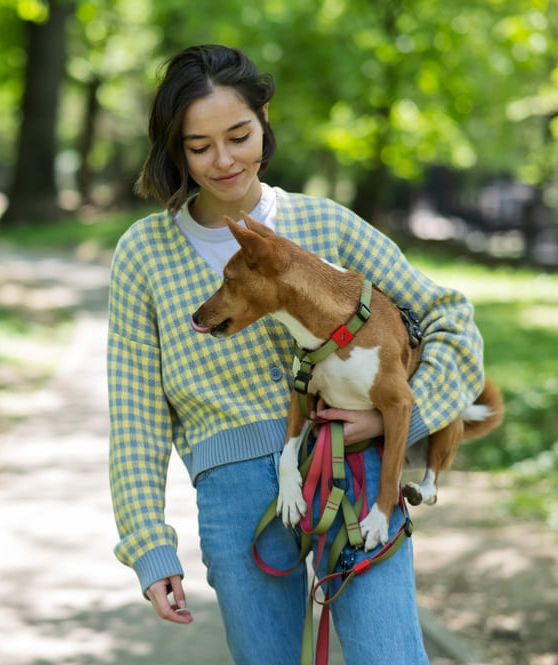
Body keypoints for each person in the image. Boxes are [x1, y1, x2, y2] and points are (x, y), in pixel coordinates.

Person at [106, 44, 486, 665]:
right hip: (234, 499)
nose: (224, 160)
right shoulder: (143, 254)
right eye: (199, 147)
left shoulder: (325, 226)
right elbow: (136, 417)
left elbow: (450, 318)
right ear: (174, 150)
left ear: (263, 124)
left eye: (239, 135)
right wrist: (150, 545)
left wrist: (404, 419)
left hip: (356, 475)